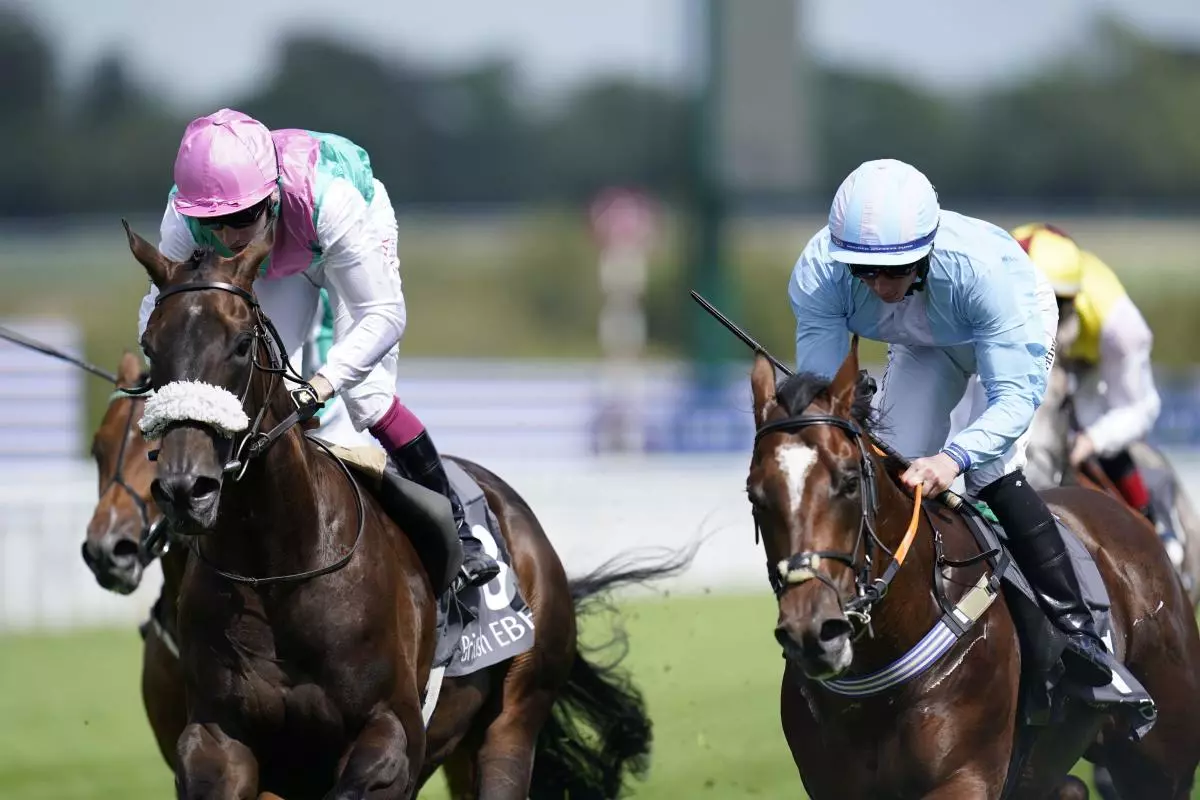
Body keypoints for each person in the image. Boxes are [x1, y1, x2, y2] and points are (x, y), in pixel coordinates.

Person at [136, 108, 499, 591]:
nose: (229, 237)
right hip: (278, 266)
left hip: (340, 245)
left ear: (269, 195)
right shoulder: (183, 220)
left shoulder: (331, 199)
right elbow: (160, 311)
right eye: (214, 222)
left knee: (365, 396)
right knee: (261, 388)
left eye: (242, 217)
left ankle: (460, 528)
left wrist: (325, 383)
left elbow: (385, 314)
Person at [787, 158, 1116, 687]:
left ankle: (1081, 633)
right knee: (889, 466)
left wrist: (952, 459)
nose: (877, 285)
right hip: (925, 346)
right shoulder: (820, 273)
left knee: (991, 473)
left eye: (894, 269)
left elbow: (1013, 400)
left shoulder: (984, 274)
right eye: (861, 270)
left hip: (1005, 333)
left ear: (926, 249)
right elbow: (827, 399)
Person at [1010, 224, 1178, 556]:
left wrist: (1092, 440)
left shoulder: (1121, 327)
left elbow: (1141, 408)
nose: (1041, 314)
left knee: (1091, 424)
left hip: (1093, 366)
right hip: (1039, 354)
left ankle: (1157, 530)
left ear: (1073, 299)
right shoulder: (1010, 256)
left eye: (1055, 304)